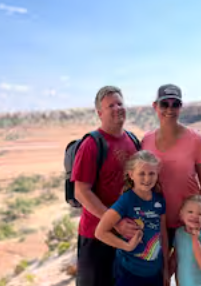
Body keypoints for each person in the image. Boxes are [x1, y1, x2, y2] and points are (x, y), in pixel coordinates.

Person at [71, 86, 140, 286]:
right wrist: (115, 221)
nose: (118, 108)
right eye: (111, 105)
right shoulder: (92, 144)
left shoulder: (133, 141)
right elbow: (81, 191)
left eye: (120, 103)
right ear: (100, 113)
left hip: (128, 234)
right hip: (97, 237)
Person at [142, 83, 201, 240]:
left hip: (188, 224)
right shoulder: (146, 141)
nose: (170, 109)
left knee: (187, 265)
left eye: (175, 104)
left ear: (180, 107)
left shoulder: (196, 140)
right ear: (155, 106)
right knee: (161, 265)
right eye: (164, 104)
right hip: (156, 222)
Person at [95, 150, 169, 286]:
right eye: (142, 173)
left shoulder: (160, 201)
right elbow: (100, 232)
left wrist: (166, 269)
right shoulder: (126, 201)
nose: (147, 179)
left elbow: (163, 235)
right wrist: (127, 246)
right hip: (129, 272)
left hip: (155, 272)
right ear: (131, 175)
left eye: (151, 173)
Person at [169, 195, 201, 286]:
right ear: (181, 214)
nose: (195, 216)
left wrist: (195, 240)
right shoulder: (179, 233)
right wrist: (167, 276)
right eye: (190, 212)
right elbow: (175, 258)